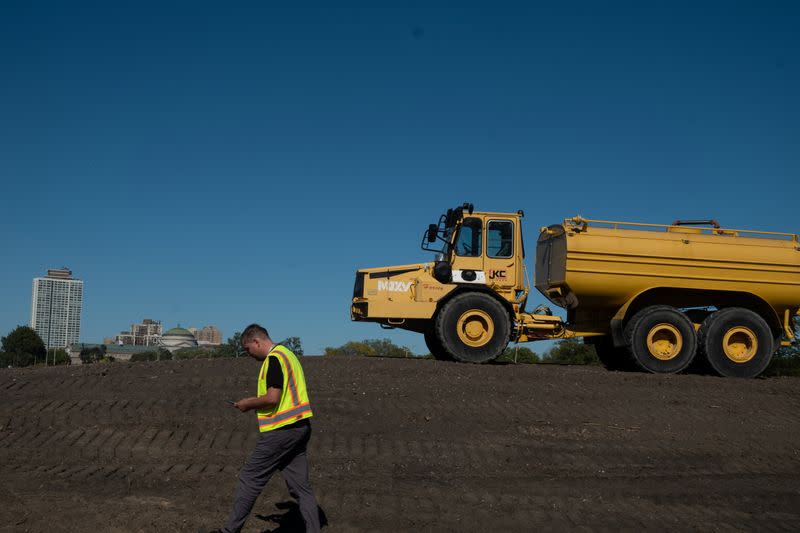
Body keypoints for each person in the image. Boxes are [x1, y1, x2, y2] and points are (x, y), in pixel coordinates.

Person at [209, 323, 320, 533]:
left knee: (250, 478)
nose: (248, 354)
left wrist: (246, 404)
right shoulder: (289, 355)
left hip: (282, 430)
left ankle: (229, 532)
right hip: (301, 427)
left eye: (248, 349)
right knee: (301, 488)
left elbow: (272, 398)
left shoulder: (274, 359)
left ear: (256, 341)